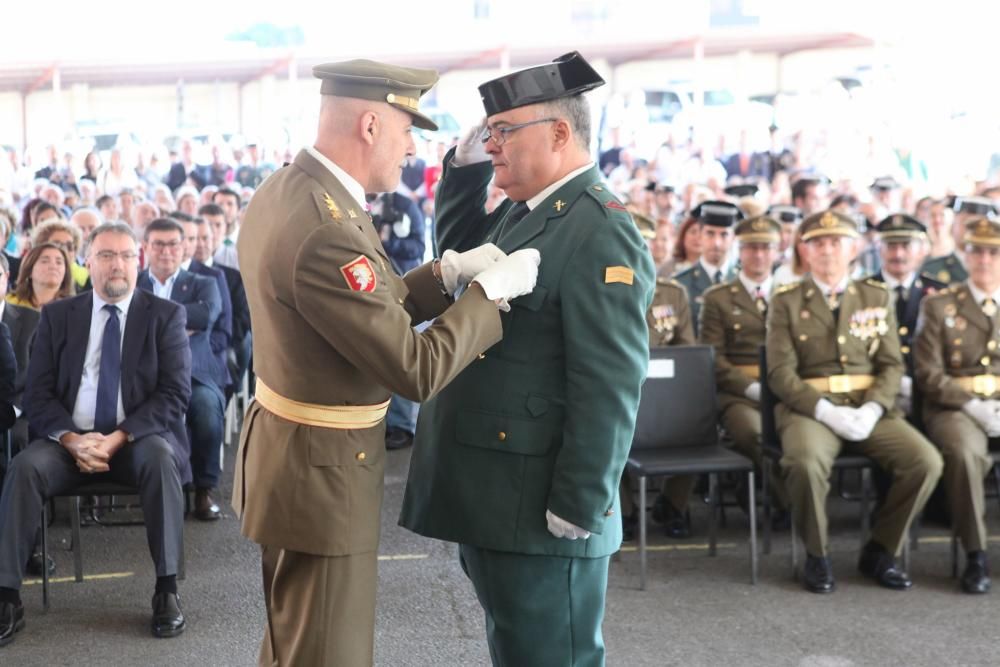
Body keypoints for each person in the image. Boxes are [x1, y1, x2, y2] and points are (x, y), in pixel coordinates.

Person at [232, 58, 538, 666]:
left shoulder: (295, 190)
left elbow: (356, 307)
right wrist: (488, 297)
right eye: (406, 132)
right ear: (370, 124)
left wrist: (442, 275)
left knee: (296, 643)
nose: (409, 149)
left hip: (297, 461)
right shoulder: (327, 226)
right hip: (322, 476)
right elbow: (414, 370)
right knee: (326, 653)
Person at [399, 52, 653, 666]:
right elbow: (463, 259)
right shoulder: (534, 208)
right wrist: (459, 173)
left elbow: (609, 382)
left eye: (504, 131)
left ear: (560, 133)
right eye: (489, 133)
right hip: (500, 492)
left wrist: (580, 499)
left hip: (541, 504)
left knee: (549, 656)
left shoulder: (599, 229)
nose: (492, 145)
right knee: (517, 649)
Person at [0, 222, 193, 646]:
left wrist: (118, 437)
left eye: (125, 255)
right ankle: (8, 596)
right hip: (68, 443)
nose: (116, 265)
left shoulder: (164, 316)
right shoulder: (58, 316)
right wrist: (70, 439)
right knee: (24, 468)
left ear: (138, 262)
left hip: (134, 442)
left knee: (162, 460)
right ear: (89, 262)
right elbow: (37, 391)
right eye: (106, 255)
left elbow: (174, 395)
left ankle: (167, 590)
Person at [767, 210, 942, 594]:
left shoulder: (874, 295)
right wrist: (825, 410)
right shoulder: (787, 301)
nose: (828, 250)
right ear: (805, 251)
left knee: (925, 462)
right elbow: (780, 373)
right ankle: (817, 554)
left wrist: (874, 407)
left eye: (836, 242)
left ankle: (881, 549)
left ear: (853, 249)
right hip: (811, 409)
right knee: (804, 462)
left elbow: (892, 364)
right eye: (818, 243)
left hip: (868, 407)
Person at [916, 216, 1000, 594]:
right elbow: (927, 373)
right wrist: (972, 405)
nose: (984, 259)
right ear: (964, 255)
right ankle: (975, 553)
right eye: (976, 251)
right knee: (966, 454)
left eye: (993, 252)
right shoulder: (941, 306)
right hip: (954, 407)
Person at [700, 215, 790, 526]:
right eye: (751, 248)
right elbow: (713, 358)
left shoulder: (792, 295)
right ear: (740, 251)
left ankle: (780, 495)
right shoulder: (718, 298)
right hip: (738, 392)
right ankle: (786, 502)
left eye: (766, 248)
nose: (759, 255)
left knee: (797, 434)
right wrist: (751, 387)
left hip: (786, 389)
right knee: (755, 433)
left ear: (777, 251)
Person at [138, 218, 226, 522]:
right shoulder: (134, 283)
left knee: (205, 408)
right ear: (146, 247)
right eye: (158, 244)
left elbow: (205, 316)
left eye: (173, 243)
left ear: (183, 246)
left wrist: (149, 321)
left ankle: (204, 490)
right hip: (140, 374)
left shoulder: (205, 283)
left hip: (193, 372)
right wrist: (176, 324)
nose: (166, 251)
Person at [620, 212, 693, 540]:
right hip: (620, 389)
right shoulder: (603, 286)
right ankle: (625, 510)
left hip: (664, 391)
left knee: (695, 424)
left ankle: (674, 504)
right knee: (605, 425)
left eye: (645, 242)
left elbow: (687, 353)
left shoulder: (673, 293)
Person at [868, 214, 943, 413]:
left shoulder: (939, 292)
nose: (898, 254)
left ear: (922, 250)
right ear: (879, 249)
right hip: (876, 388)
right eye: (891, 246)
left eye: (906, 246)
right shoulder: (861, 293)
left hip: (929, 388)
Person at [672, 200, 742, 334]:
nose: (716, 243)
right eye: (710, 233)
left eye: (724, 234)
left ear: (733, 238)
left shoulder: (743, 278)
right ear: (700, 236)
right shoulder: (680, 283)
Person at [6, 243, 74, 310]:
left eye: (59, 262)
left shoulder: (73, 308)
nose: (53, 266)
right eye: (45, 261)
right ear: (29, 270)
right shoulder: (10, 303)